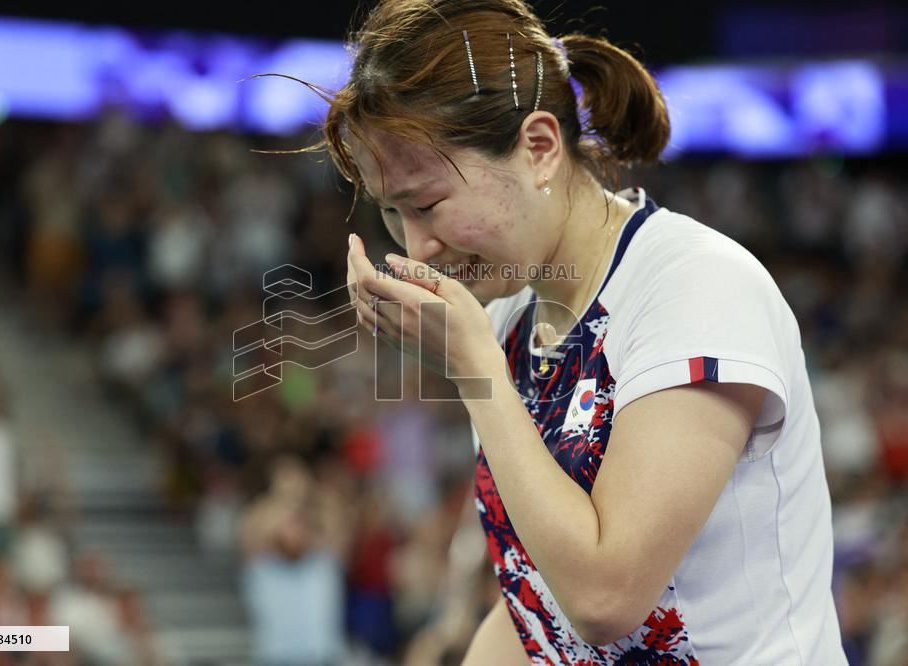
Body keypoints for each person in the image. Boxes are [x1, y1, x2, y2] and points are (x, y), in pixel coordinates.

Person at [310, 0, 846, 663]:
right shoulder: (507, 317)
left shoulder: (697, 289)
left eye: (426, 204)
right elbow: (541, 605)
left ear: (538, 149)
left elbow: (603, 599)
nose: (416, 247)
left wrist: (476, 372)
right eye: (391, 212)